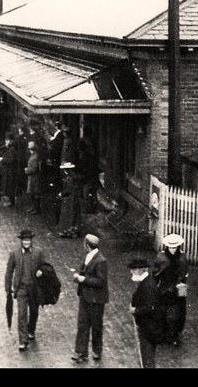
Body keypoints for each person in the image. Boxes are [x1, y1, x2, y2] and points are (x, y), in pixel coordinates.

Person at [4, 228, 46, 352]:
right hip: (21, 289)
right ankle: (23, 341)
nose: (27, 242)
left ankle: (31, 330)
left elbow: (45, 267)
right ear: (21, 241)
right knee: (22, 314)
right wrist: (8, 288)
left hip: (34, 288)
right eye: (24, 240)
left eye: (28, 240)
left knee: (34, 312)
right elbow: (9, 272)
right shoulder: (14, 254)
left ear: (31, 240)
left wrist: (41, 271)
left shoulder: (38, 252)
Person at [71, 233, 108, 363]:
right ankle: (81, 352)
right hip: (85, 297)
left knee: (96, 326)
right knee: (82, 325)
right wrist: (78, 276)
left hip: (96, 300)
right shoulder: (89, 257)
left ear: (87, 245)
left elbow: (101, 282)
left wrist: (83, 279)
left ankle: (97, 350)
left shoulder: (101, 261)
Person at [128, 257, 164, 368]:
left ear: (140, 270)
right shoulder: (146, 281)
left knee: (147, 358)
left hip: (149, 329)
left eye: (133, 269)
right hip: (148, 327)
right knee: (146, 357)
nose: (131, 272)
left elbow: (151, 307)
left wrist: (136, 310)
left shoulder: (148, 286)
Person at [155, 233, 189, 345]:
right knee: (162, 311)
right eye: (171, 247)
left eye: (175, 247)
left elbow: (184, 273)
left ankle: (174, 335)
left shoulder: (182, 257)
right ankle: (163, 333)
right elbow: (156, 273)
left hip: (177, 290)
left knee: (176, 314)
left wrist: (181, 283)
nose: (173, 249)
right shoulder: (161, 257)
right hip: (164, 288)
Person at [57, 162, 83, 238]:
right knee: (75, 214)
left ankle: (67, 231)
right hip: (74, 198)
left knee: (68, 215)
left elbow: (68, 190)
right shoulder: (75, 177)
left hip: (69, 200)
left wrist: (61, 194)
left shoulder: (69, 179)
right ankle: (74, 230)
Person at [77, 135, 100, 215]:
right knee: (91, 192)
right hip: (91, 175)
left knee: (86, 193)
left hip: (88, 176)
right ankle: (92, 207)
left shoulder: (84, 156)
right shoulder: (87, 154)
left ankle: (89, 209)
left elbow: (82, 166)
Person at [0, 132, 20, 207]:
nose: (6, 142)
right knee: (7, 186)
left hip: (10, 171)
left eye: (8, 140)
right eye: (6, 140)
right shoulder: (7, 148)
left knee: (10, 186)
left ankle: (11, 202)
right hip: (6, 170)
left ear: (11, 141)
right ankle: (8, 200)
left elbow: (12, 160)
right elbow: (1, 152)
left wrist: (3, 159)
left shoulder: (13, 149)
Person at [23, 140, 42, 214]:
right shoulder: (34, 155)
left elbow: (34, 169)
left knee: (36, 193)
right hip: (32, 178)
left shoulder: (35, 157)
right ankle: (33, 207)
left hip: (35, 178)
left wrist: (27, 170)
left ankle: (36, 209)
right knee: (32, 193)